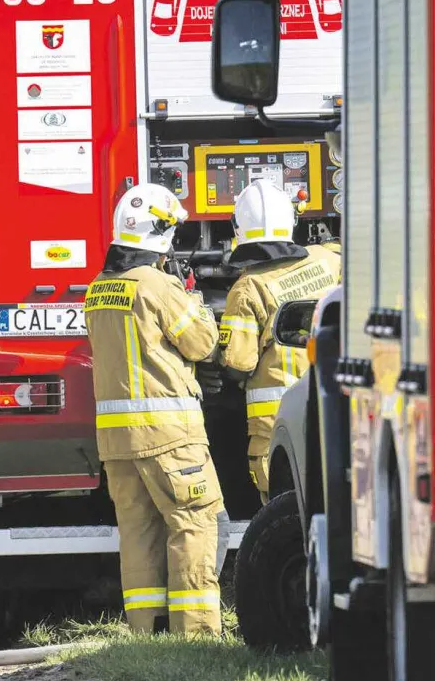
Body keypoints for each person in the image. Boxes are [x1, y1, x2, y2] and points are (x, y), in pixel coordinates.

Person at [85, 183, 225, 636]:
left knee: (138, 535)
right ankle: (198, 637)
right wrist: (195, 300)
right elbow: (202, 344)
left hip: (118, 444)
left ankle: (148, 635)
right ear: (159, 234)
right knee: (195, 524)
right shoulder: (156, 286)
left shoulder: (98, 290)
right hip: (170, 435)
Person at [211, 179, 340, 503]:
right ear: (292, 221)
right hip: (335, 405)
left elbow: (239, 364)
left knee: (285, 511)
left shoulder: (247, 288)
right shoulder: (331, 259)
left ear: (238, 230)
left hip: (277, 425)